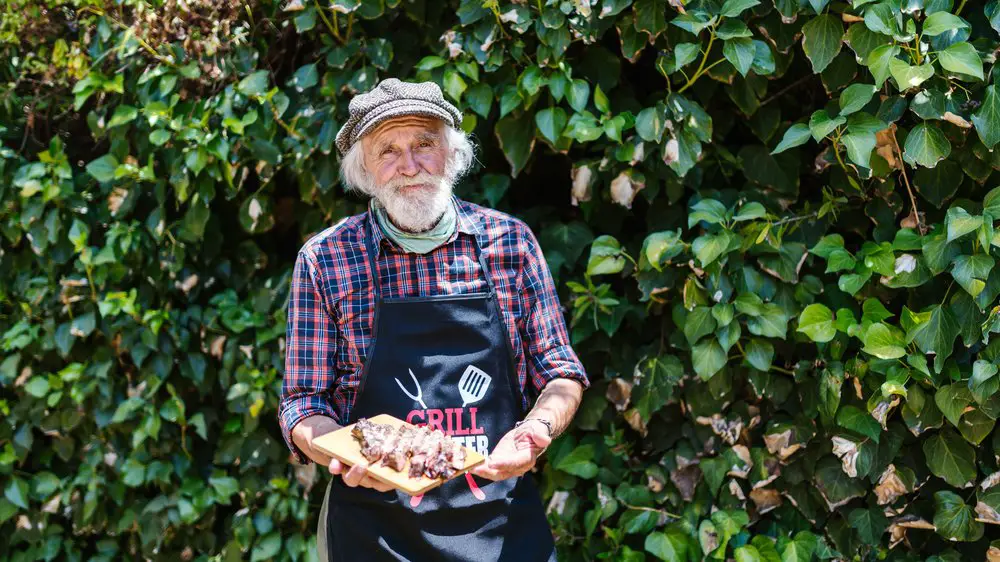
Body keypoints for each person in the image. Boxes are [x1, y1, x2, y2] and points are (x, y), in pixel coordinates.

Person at [278, 78, 588, 562]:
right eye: (388, 151)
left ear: (452, 153)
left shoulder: (511, 244)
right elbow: (303, 401)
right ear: (365, 171)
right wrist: (340, 453)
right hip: (374, 534)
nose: (409, 166)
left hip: (499, 530)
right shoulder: (327, 260)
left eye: (424, 144)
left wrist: (537, 431)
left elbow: (561, 372)